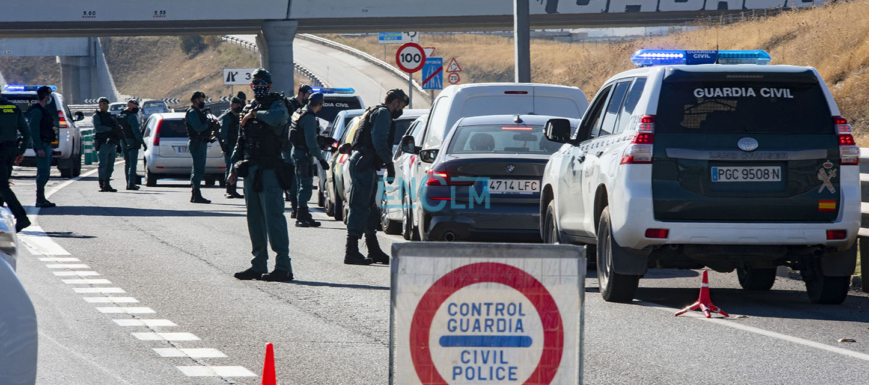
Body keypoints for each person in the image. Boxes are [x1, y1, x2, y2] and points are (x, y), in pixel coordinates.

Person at [229, 68, 294, 282]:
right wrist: (232, 172)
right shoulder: (249, 107)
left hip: (270, 170)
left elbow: (279, 119)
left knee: (274, 218)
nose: (259, 87)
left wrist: (255, 115)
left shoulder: (277, 105)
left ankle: (283, 266)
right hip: (251, 170)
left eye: (263, 84)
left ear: (270, 86)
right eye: (256, 84)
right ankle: (258, 264)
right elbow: (241, 142)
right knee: (254, 219)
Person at [343, 89, 408, 266]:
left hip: (366, 162)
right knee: (360, 206)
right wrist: (389, 163)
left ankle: (373, 249)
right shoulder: (383, 114)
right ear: (395, 102)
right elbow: (379, 141)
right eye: (400, 106)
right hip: (364, 162)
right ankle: (351, 250)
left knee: (371, 207)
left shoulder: (376, 111)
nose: (400, 110)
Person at [289, 92, 329, 228]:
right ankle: (301, 215)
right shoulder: (310, 118)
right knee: (305, 186)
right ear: (320, 104)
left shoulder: (299, 112)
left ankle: (302, 212)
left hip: (296, 152)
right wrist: (321, 159)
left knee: (298, 184)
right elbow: (311, 142)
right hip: (304, 155)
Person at [0, 88, 32, 231]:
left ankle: (21, 217)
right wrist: (20, 152)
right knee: (2, 185)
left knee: (2, 187)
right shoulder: (14, 108)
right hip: (11, 150)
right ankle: (2, 221)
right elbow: (26, 132)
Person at [26, 86, 58, 207]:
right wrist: (39, 148)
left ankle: (42, 198)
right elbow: (34, 131)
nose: (49, 97)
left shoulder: (43, 110)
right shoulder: (37, 111)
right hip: (42, 145)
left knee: (46, 172)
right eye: (48, 95)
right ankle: (39, 199)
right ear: (46, 96)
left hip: (46, 144)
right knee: (43, 171)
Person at [282, 84, 311, 215]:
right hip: (289, 146)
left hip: (299, 146)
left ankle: (298, 206)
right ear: (301, 93)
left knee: (299, 177)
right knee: (293, 176)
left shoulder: (305, 108)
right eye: (307, 94)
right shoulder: (289, 105)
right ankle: (295, 206)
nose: (309, 97)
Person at [185, 91, 216, 204]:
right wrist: (208, 124)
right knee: (198, 169)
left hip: (200, 142)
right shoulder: (193, 112)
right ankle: (196, 193)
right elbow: (198, 127)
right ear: (195, 100)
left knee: (199, 168)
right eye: (201, 99)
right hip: (197, 143)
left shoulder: (197, 112)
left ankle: (195, 192)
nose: (203, 101)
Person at [219, 92, 245, 199]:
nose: (238, 107)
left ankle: (234, 190)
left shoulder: (240, 117)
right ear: (231, 105)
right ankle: (229, 189)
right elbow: (223, 133)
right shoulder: (227, 117)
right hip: (229, 145)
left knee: (236, 167)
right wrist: (224, 146)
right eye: (236, 104)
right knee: (230, 167)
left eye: (239, 105)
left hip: (237, 145)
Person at [93, 97, 122, 192]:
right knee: (103, 164)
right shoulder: (97, 116)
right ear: (99, 105)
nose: (105, 105)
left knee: (110, 165)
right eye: (103, 103)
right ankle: (102, 184)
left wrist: (118, 142)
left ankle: (107, 183)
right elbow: (98, 128)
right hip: (103, 143)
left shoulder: (111, 116)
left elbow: (117, 129)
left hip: (112, 143)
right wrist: (109, 129)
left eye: (106, 103)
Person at [118, 99, 144, 191]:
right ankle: (131, 183)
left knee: (127, 163)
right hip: (132, 141)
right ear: (130, 106)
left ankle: (128, 182)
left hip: (123, 141)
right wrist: (142, 142)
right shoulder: (132, 117)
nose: (136, 109)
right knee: (133, 164)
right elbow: (136, 131)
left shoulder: (121, 115)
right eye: (135, 107)